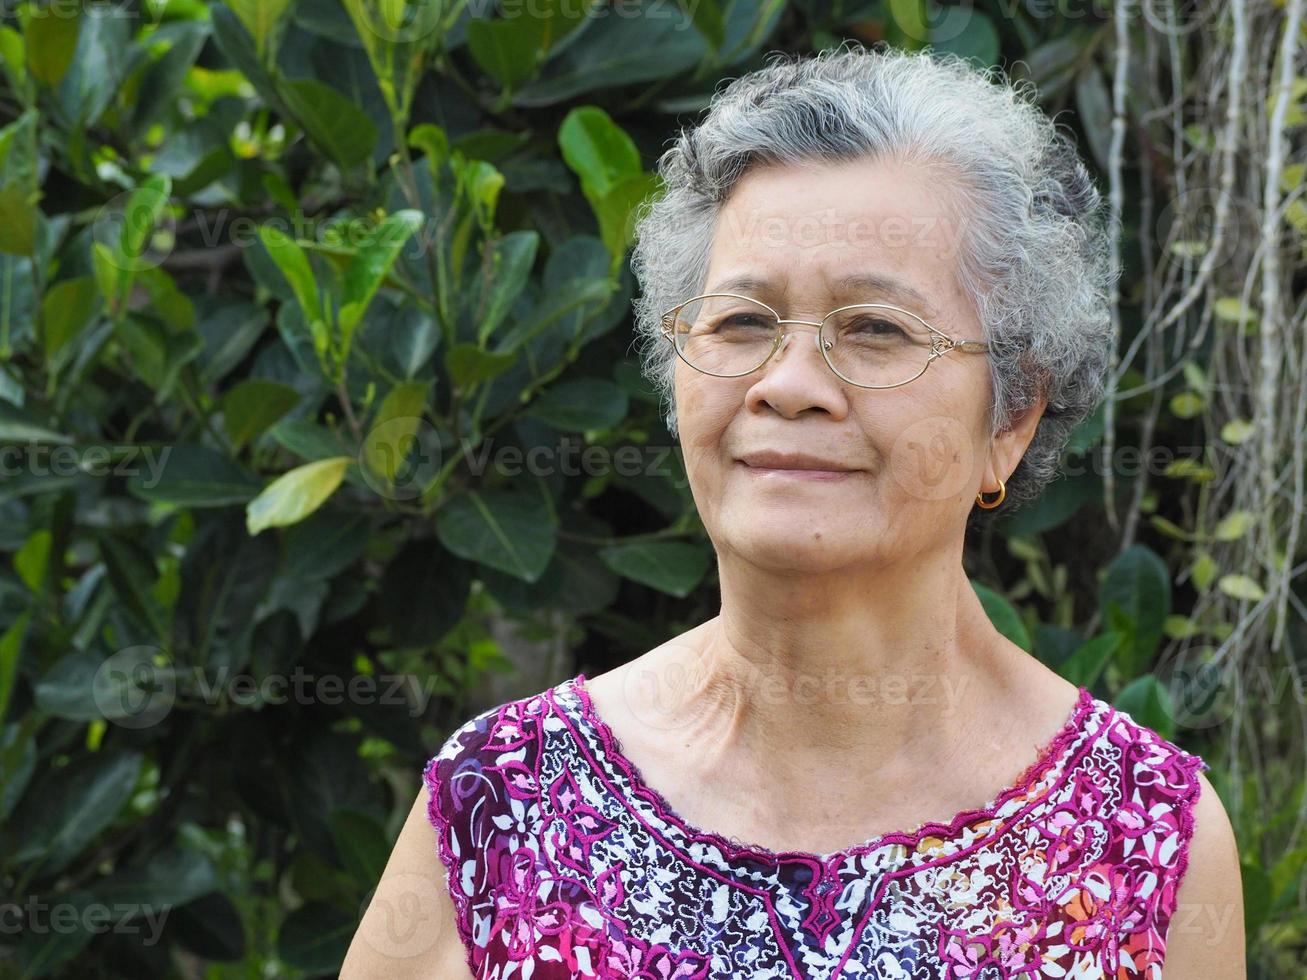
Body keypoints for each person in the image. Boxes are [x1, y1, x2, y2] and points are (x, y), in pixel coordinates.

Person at [343, 42, 1244, 979]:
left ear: (1011, 416)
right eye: (740, 322)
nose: (789, 385)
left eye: (875, 329)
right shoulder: (503, 802)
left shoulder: (1141, 839)